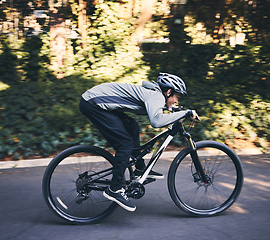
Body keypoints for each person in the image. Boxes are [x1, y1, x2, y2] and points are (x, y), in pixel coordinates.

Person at [79, 73, 198, 212]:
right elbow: (156, 121)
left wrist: (177, 111)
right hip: (93, 104)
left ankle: (140, 169)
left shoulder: (154, 95)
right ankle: (115, 189)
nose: (176, 101)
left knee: (132, 126)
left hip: (94, 101)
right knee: (125, 144)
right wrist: (186, 113)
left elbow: (157, 109)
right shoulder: (157, 96)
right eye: (176, 97)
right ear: (168, 91)